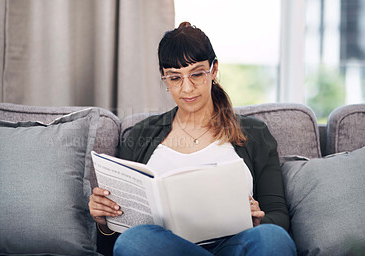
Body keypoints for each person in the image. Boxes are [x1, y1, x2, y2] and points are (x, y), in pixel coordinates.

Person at [89, 22, 297, 256]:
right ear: (164, 78)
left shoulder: (255, 134)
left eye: (197, 74)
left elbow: (279, 216)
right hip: (168, 249)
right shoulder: (140, 135)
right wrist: (104, 222)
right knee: (135, 241)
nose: (187, 88)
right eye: (175, 78)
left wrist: (260, 220)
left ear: (214, 69)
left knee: (272, 237)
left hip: (235, 247)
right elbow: (116, 243)